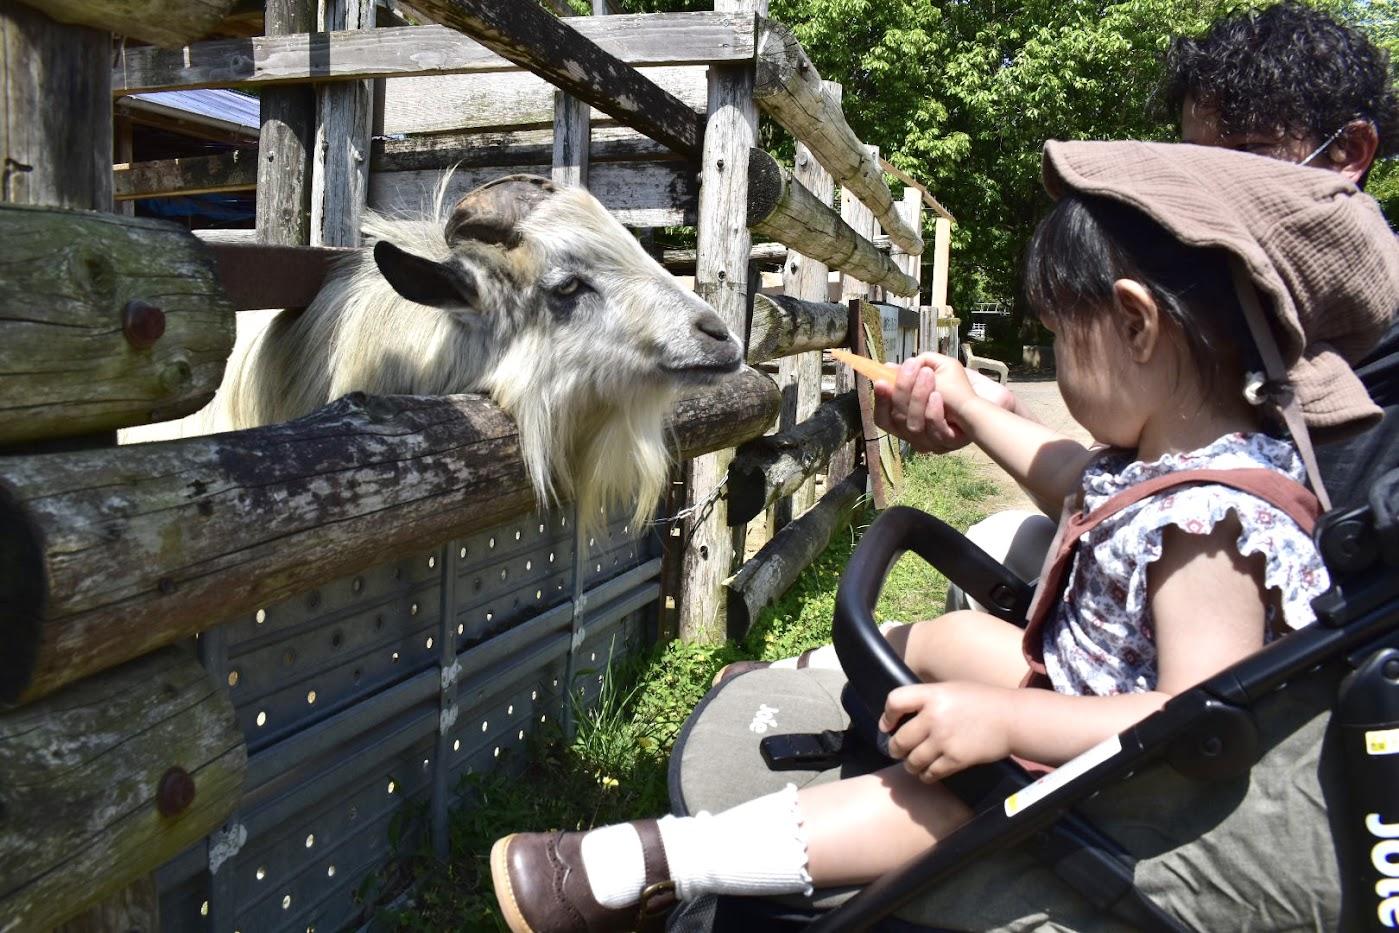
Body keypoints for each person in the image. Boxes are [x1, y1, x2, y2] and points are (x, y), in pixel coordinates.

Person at [487, 140, 1397, 933]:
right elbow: (1067, 479)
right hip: (1077, 688)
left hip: (1121, 781)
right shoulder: (1175, 457)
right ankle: (799, 686)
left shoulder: (1215, 527)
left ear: (1134, 323)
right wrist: (965, 400)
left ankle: (643, 865)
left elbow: (1191, 722)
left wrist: (1008, 719)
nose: (1054, 362)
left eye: (1058, 335)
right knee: (961, 633)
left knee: (926, 804)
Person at [881, 2, 1398, 597]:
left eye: (1243, 154)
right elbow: (1132, 490)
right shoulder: (1222, 303)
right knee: (1004, 539)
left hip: (1258, 673)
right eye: (1192, 160)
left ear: (1349, 153)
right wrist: (988, 411)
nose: (1201, 190)